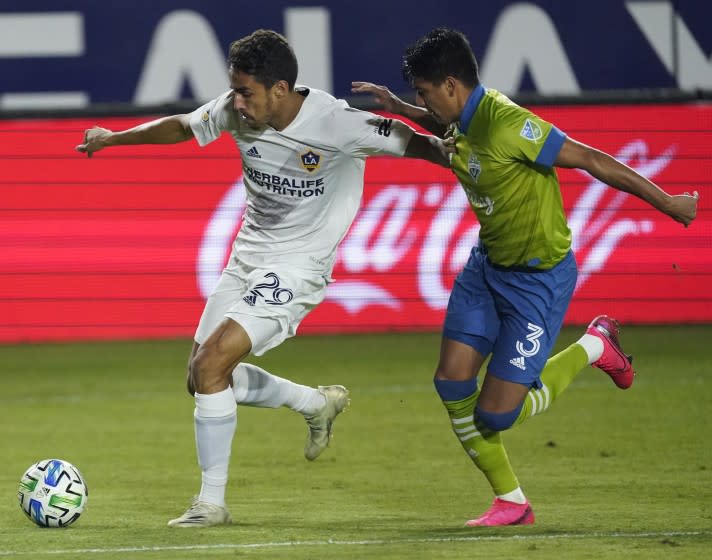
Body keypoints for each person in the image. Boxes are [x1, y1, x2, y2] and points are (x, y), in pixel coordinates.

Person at [76, 29, 454, 528]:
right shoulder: (238, 110)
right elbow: (184, 127)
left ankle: (211, 504)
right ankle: (314, 403)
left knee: (212, 364)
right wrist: (114, 139)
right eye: (233, 90)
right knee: (202, 379)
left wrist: (467, 156)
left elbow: (423, 146)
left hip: (299, 266)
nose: (236, 102)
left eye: (246, 92)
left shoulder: (337, 122)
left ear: (280, 89)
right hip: (247, 258)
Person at [352, 28, 699, 527]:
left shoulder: (507, 123)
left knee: (496, 416)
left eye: (423, 92)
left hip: (538, 281)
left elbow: (592, 159)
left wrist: (669, 203)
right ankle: (511, 502)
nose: (419, 100)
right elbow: (442, 125)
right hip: (487, 267)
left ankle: (596, 345)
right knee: (451, 382)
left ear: (451, 86)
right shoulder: (462, 118)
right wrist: (400, 109)